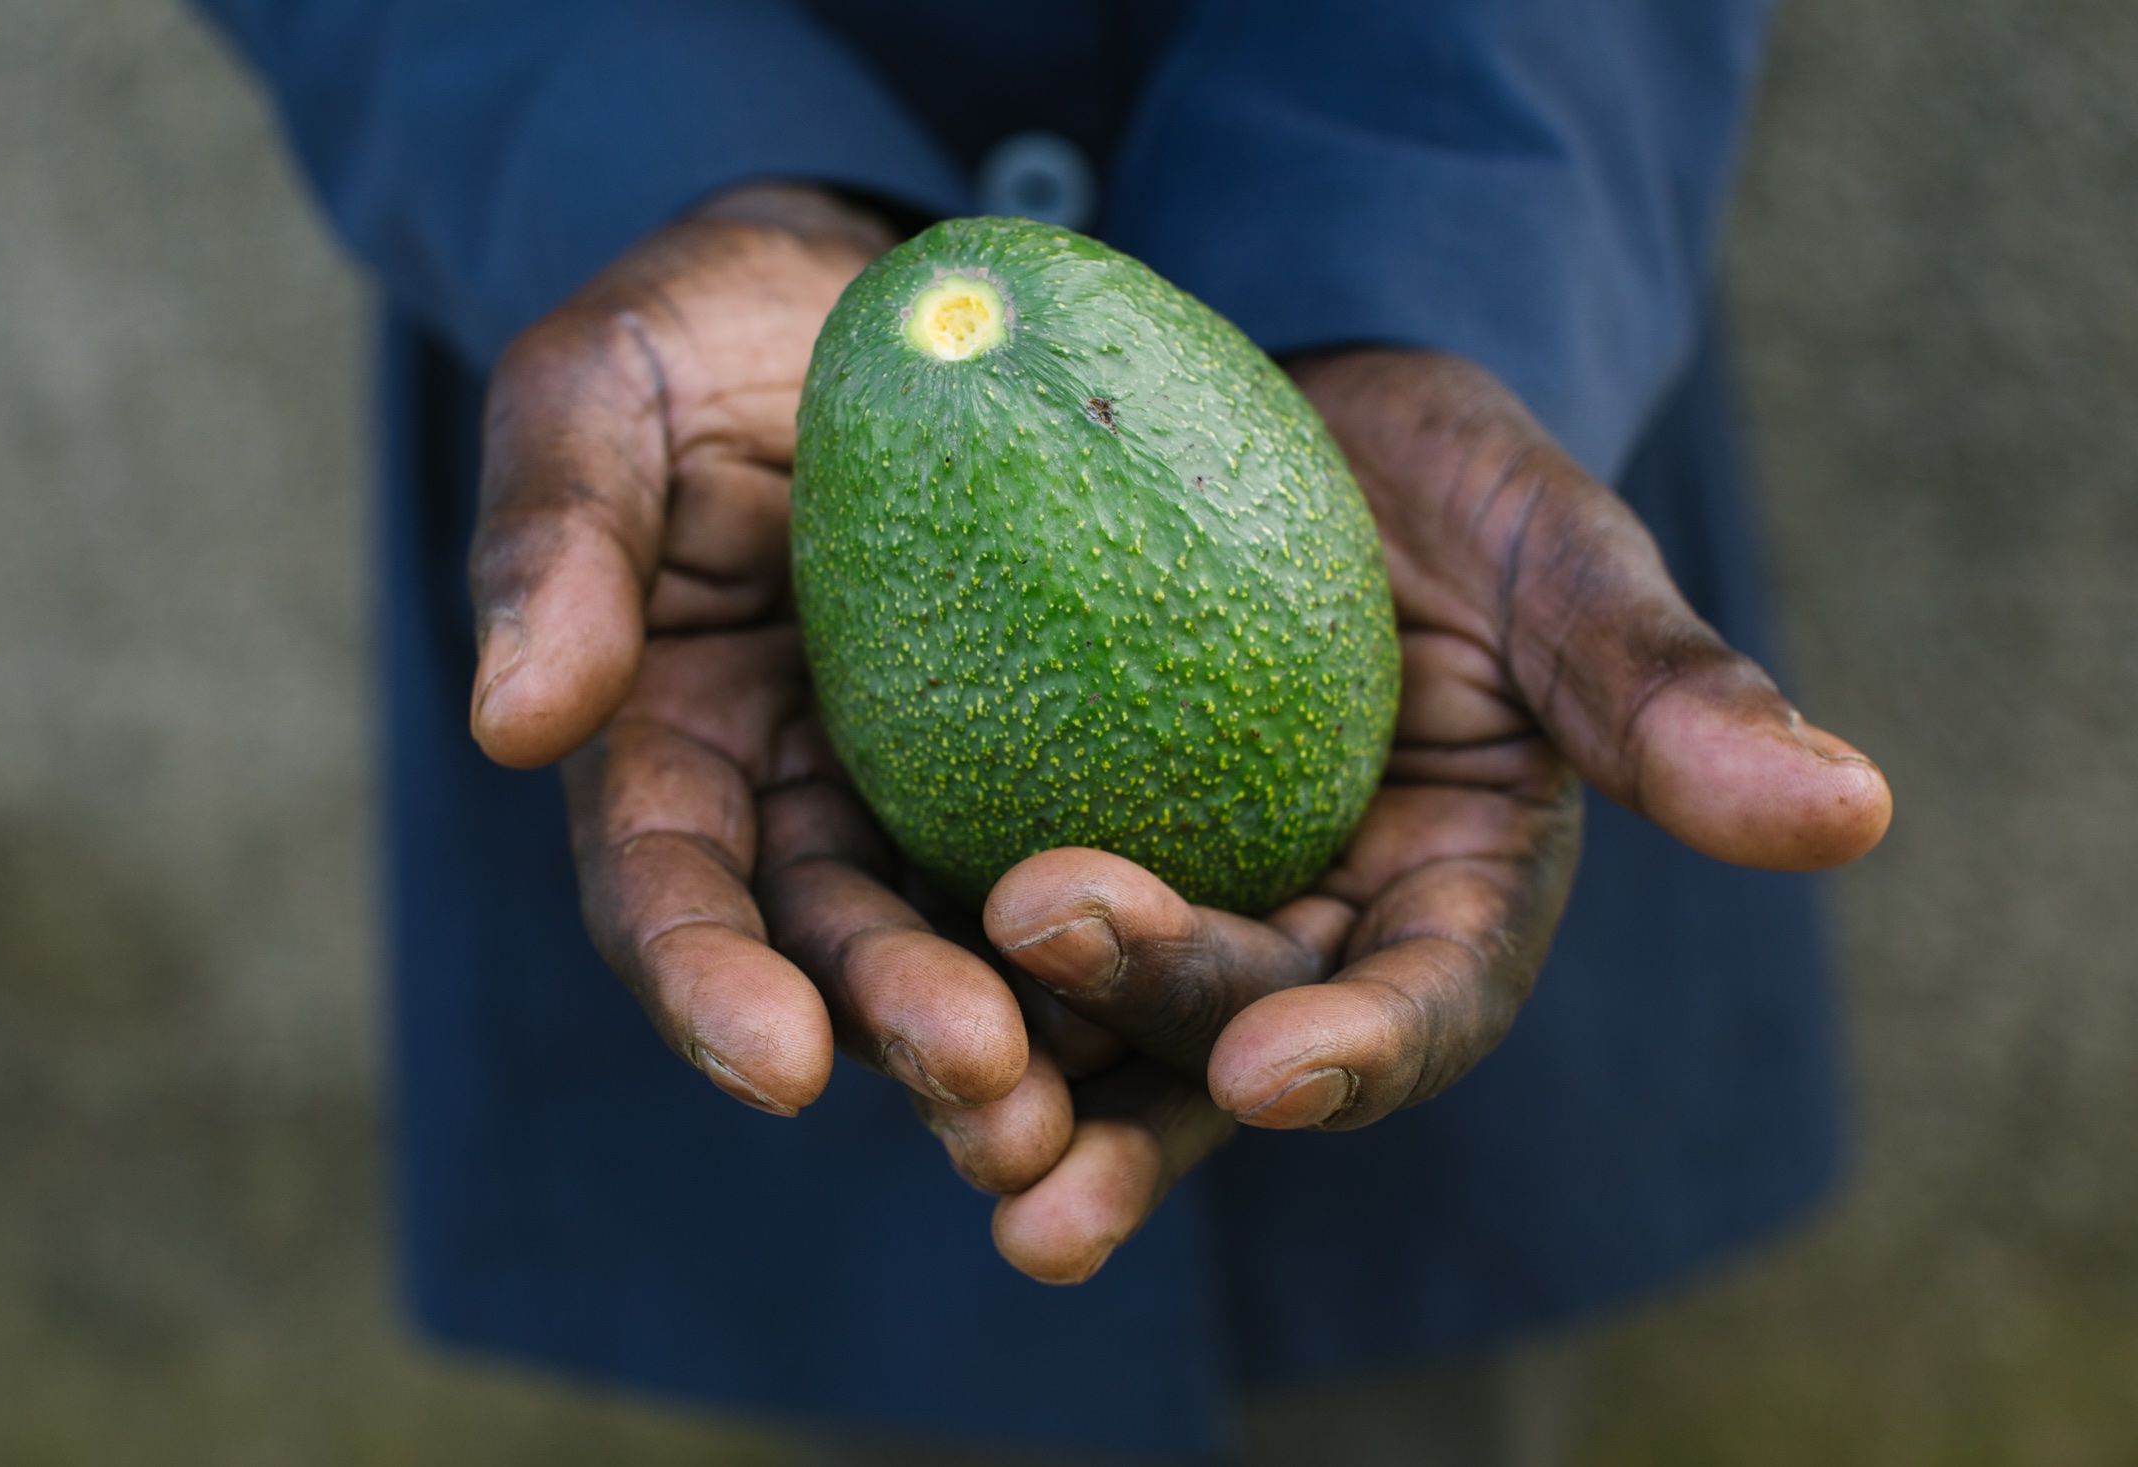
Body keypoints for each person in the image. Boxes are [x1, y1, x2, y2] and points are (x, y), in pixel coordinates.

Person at [196, 2, 1892, 1461]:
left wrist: (1421, 222)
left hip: (1461, 399)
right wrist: (644, 151)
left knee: (1421, 1380)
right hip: (685, 492)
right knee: (870, 1333)